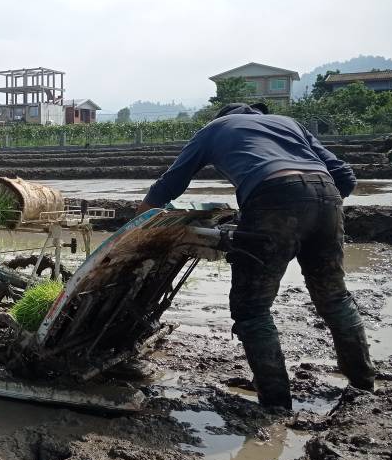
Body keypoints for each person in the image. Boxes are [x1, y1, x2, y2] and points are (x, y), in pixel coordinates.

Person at [135, 102, 375, 410]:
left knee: (252, 309)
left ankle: (276, 403)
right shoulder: (289, 123)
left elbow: (169, 185)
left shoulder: (215, 129)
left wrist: (138, 227)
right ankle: (363, 384)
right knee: (335, 298)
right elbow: (345, 177)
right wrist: (315, 206)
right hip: (328, 198)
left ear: (224, 117)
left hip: (272, 197)